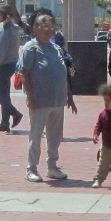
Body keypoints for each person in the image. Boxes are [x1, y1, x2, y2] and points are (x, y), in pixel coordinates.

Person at [19, 14, 78, 182]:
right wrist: (30, 97)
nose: (49, 29)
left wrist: (70, 97)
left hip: (58, 101)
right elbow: (24, 73)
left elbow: (64, 73)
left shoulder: (56, 48)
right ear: (36, 28)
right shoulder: (31, 48)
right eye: (45, 25)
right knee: (36, 136)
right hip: (39, 101)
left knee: (55, 136)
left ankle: (52, 167)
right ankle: (31, 169)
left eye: (51, 25)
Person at [0, 3, 23, 132]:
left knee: (3, 94)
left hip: (3, 65)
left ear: (3, 14)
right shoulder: (7, 27)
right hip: (9, 64)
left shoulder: (5, 28)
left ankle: (6, 121)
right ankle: (12, 115)